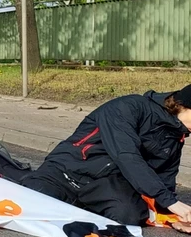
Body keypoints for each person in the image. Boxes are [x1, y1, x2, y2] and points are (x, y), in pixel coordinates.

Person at [22, 87, 191, 228]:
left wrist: (173, 218)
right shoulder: (129, 106)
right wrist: (171, 202)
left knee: (129, 216)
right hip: (66, 172)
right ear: (185, 106)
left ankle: (79, 208)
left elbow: (164, 183)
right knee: (31, 203)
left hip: (104, 185)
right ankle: (13, 174)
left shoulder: (176, 138)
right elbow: (126, 156)